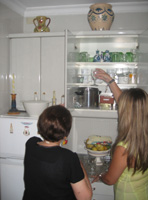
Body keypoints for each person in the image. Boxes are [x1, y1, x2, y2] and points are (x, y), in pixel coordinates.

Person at [23, 105, 92, 200]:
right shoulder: (69, 159)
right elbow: (85, 197)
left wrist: (53, 114)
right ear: (65, 135)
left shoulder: (30, 145)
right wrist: (79, 165)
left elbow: (41, 136)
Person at [92, 88, 148, 200]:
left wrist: (101, 176)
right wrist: (109, 80)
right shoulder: (144, 138)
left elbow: (110, 179)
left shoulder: (124, 147)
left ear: (126, 113)